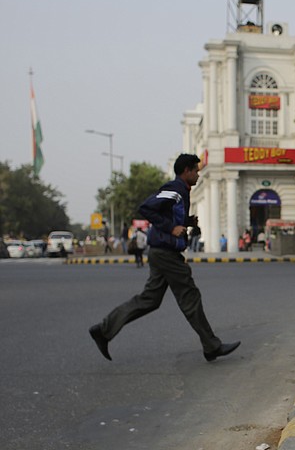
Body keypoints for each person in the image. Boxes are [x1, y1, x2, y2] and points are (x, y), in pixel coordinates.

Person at [89, 154, 240, 363]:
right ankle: (211, 346)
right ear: (186, 171)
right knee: (190, 296)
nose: (198, 174)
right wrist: (171, 227)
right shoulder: (175, 189)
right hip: (166, 253)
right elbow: (146, 208)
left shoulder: (182, 191)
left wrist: (186, 222)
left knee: (149, 300)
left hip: (161, 252)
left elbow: (168, 215)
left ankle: (104, 330)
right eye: (196, 170)